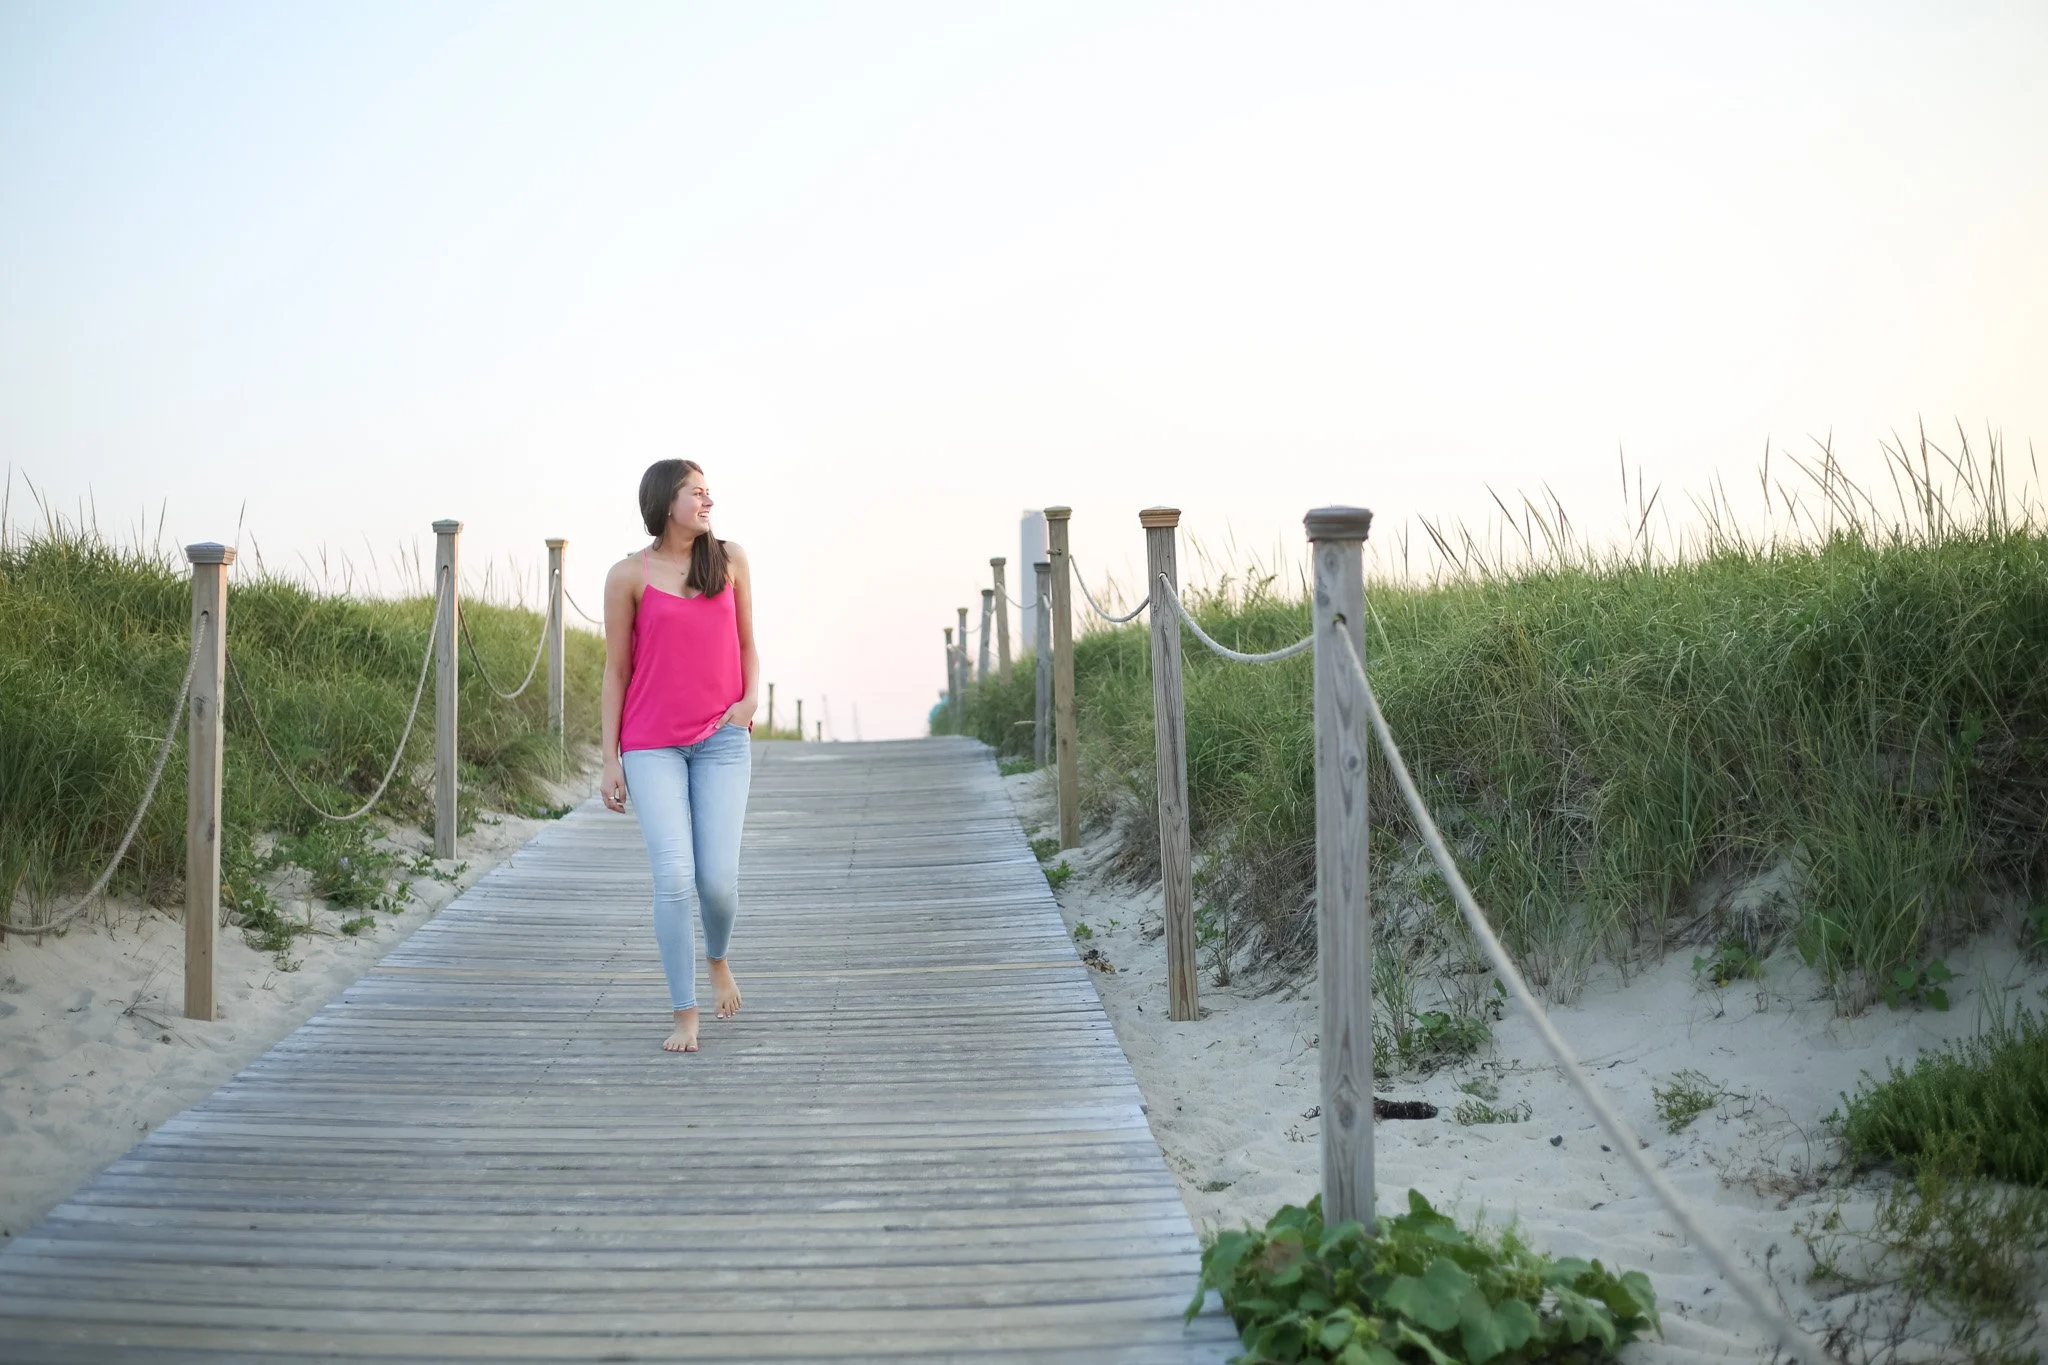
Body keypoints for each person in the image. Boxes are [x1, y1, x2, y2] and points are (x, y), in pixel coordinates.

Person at [600, 459, 760, 1053]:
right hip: (650, 744)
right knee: (673, 878)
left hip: (721, 741)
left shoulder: (731, 560)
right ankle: (684, 1012)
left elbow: (748, 645)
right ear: (668, 501)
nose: (707, 501)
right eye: (697, 492)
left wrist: (746, 705)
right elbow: (616, 671)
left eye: (709, 492)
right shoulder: (627, 576)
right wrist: (610, 757)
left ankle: (718, 958)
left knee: (717, 884)